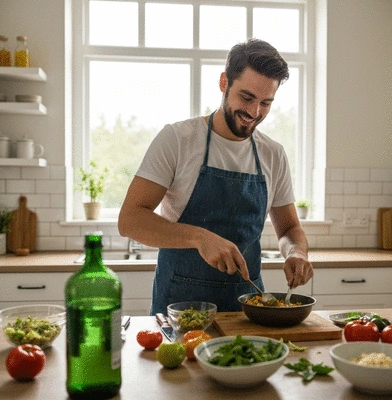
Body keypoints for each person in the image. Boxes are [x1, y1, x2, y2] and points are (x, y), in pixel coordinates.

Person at [118, 38, 314, 315]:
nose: (254, 113)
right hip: (180, 308)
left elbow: (289, 229)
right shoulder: (178, 139)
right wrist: (200, 238)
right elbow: (130, 220)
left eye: (266, 103)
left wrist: (297, 253)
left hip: (247, 308)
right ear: (224, 83)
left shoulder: (273, 154)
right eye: (246, 98)